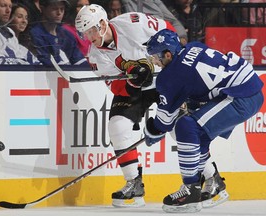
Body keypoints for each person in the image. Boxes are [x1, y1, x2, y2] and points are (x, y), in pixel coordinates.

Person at [143, 29, 264, 213]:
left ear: (168, 54)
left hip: (240, 95)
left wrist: (151, 131)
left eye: (156, 57)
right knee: (199, 136)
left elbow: (164, 123)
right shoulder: (193, 47)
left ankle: (191, 190)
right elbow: (199, 81)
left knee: (185, 125)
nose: (154, 61)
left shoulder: (169, 77)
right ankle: (213, 184)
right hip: (248, 86)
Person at [75, 3, 179, 208]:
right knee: (117, 126)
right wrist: (134, 80)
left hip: (164, 78)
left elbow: (169, 30)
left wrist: (161, 62)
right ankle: (134, 184)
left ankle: (209, 177)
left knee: (180, 125)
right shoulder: (95, 56)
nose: (89, 37)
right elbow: (115, 86)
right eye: (85, 33)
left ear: (103, 23)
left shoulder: (132, 22)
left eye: (91, 31)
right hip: (137, 88)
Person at [30, 0, 88, 66]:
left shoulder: (67, 35)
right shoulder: (35, 34)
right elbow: (47, 66)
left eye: (62, 9)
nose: (59, 13)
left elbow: (80, 62)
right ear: (42, 9)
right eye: (54, 9)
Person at [0, 0, 39, 64]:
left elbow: (21, 55)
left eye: (10, 7)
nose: (8, 11)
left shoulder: (9, 32)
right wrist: (23, 63)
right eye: (3, 6)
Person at [121, 0, 188, 45]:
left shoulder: (154, 1)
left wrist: (181, 37)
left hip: (163, 43)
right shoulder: (124, 3)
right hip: (137, 46)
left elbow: (173, 21)